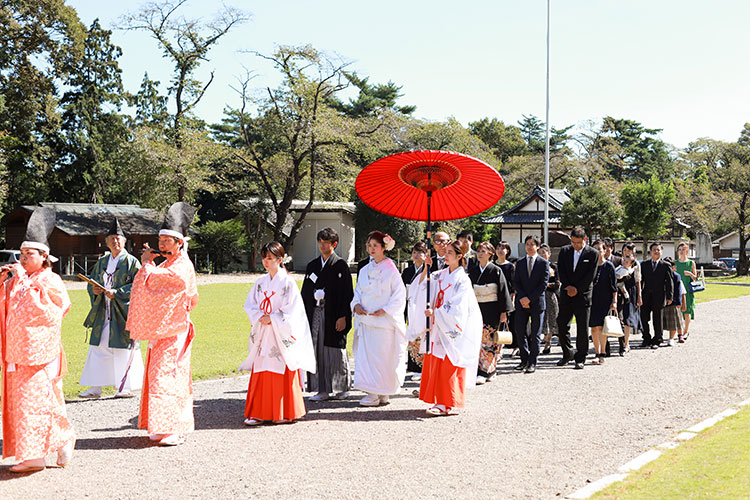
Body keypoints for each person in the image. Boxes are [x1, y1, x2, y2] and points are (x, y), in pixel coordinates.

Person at [0, 207, 75, 472]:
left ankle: (34, 456)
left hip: (38, 353)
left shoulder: (50, 280)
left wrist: (21, 280)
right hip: (17, 353)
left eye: (28, 254)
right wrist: (3, 283)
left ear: (44, 257)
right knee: (26, 402)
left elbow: (54, 311)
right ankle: (60, 439)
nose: (22, 258)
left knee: (34, 402)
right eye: (21, 254)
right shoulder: (20, 280)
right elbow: (7, 306)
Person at [126, 202, 199, 446]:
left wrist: (147, 264)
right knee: (157, 375)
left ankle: (173, 428)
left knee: (168, 376)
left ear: (180, 242)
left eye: (168, 240)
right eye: (161, 239)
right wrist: (149, 265)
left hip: (175, 329)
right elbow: (149, 284)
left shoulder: (181, 265)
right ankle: (160, 425)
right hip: (162, 329)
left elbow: (159, 282)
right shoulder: (166, 264)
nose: (163, 244)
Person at [240, 242, 316, 425]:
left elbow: (293, 310)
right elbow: (250, 305)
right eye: (264, 258)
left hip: (279, 333)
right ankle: (259, 412)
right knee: (262, 367)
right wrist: (260, 316)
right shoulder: (260, 282)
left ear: (280, 260)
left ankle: (283, 412)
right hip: (264, 331)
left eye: (270, 258)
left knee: (280, 366)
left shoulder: (288, 282)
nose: (266, 262)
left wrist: (272, 318)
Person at [408, 240, 482, 416]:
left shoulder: (463, 279)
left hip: (450, 324)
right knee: (436, 361)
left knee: (449, 362)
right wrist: (426, 268)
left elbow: (459, 305)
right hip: (437, 324)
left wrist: (438, 312)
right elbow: (422, 288)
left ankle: (446, 402)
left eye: (450, 252)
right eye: (445, 252)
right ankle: (438, 399)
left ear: (459, 256)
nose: (446, 255)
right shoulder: (439, 275)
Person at [79, 218, 144, 399]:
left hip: (121, 311)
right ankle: (95, 387)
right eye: (112, 239)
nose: (115, 241)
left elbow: (138, 285)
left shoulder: (132, 262)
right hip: (104, 310)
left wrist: (117, 292)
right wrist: (95, 290)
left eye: (118, 239)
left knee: (122, 348)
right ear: (106, 242)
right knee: (98, 347)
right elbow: (93, 281)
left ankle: (125, 387)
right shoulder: (102, 261)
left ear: (124, 241)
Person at [351, 231, 407, 407]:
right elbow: (358, 291)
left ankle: (383, 392)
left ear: (384, 248)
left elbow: (399, 294)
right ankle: (373, 392)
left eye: (375, 245)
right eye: (369, 245)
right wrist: (356, 305)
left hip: (384, 322)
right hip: (367, 320)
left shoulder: (391, 269)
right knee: (368, 358)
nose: (371, 249)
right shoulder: (365, 269)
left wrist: (386, 310)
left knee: (383, 358)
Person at [301, 228, 354, 401]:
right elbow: (305, 291)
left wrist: (343, 316)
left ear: (334, 244)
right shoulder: (313, 266)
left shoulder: (340, 265)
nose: (322, 245)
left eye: (326, 243)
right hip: (316, 312)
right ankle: (321, 389)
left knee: (335, 350)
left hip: (334, 314)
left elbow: (347, 294)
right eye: (320, 242)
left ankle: (342, 387)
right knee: (316, 348)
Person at [468, 241, 512, 384]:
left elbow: (502, 291)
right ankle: (479, 370)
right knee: (477, 341)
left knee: (489, 341)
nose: (480, 253)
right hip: (476, 309)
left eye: (483, 251)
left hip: (492, 309)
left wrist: (504, 312)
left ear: (490, 254)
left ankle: (488, 371)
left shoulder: (495, 270)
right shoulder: (473, 271)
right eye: (479, 250)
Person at [556, 227, 600, 369]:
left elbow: (590, 276)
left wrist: (577, 289)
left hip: (583, 295)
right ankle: (567, 353)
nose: (576, 245)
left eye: (578, 243)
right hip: (566, 294)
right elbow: (561, 270)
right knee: (562, 324)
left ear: (584, 240)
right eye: (573, 242)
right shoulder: (564, 251)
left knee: (582, 328)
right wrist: (568, 286)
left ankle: (581, 357)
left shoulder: (593, 253)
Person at [512, 235, 549, 374]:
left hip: (537, 303)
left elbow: (543, 285)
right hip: (521, 302)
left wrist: (530, 299)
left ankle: (533, 361)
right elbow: (516, 282)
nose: (529, 246)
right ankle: (524, 359)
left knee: (535, 333)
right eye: (527, 244)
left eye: (532, 244)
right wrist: (523, 298)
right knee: (520, 331)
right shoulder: (520, 263)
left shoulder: (543, 263)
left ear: (538, 246)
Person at [588, 240, 618, 365]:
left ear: (604, 251)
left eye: (600, 249)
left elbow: (614, 286)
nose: (598, 252)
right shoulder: (590, 265)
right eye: (595, 249)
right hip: (591, 299)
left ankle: (602, 352)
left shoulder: (609, 266)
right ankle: (596, 351)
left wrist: (614, 301)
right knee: (594, 328)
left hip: (605, 300)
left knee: (602, 327)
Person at [639, 242, 674, 349]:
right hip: (646, 296)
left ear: (661, 252)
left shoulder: (665, 265)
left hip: (659, 296)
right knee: (643, 318)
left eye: (658, 250)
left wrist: (670, 297)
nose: (656, 251)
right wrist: (639, 295)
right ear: (650, 251)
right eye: (654, 249)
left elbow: (669, 282)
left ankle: (657, 339)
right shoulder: (644, 265)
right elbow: (641, 281)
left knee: (657, 319)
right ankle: (646, 338)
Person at [402, 242, 428, 382]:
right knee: (411, 333)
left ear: (426, 255)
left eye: (420, 252)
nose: (416, 255)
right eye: (414, 252)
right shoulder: (407, 271)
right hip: (408, 302)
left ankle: (422, 366)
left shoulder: (429, 270)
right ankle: (414, 366)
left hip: (421, 304)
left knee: (421, 334)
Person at [615, 244, 642, 355]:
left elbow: (638, 280)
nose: (626, 252)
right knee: (618, 317)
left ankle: (626, 343)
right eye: (625, 250)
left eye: (629, 250)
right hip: (617, 290)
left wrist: (639, 295)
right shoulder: (617, 261)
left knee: (627, 317)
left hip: (630, 290)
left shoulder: (636, 264)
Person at [494, 241, 517, 353]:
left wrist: (512, 300)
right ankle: (495, 346)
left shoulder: (510, 266)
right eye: (498, 248)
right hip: (493, 298)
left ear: (507, 251)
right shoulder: (493, 265)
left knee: (504, 322)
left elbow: (513, 285)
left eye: (503, 248)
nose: (500, 250)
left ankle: (500, 347)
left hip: (506, 298)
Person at [538, 244, 560, 355]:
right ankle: (543, 339)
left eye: (544, 252)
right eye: (540, 252)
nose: (542, 254)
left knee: (551, 318)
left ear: (549, 254)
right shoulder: (535, 265)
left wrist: (547, 285)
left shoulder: (553, 267)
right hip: (538, 295)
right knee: (542, 319)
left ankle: (548, 342)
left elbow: (557, 283)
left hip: (550, 296)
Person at [675, 241, 697, 342]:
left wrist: (690, 274)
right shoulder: (675, 263)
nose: (681, 251)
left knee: (687, 311)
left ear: (687, 251)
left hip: (688, 290)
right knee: (677, 311)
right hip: (677, 290)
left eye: (683, 249)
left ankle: (685, 331)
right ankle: (679, 332)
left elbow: (696, 278)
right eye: (679, 249)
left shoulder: (691, 263)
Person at [662, 257, 686, 347]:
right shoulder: (660, 275)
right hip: (662, 301)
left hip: (673, 302)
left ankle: (671, 338)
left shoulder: (676, 276)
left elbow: (679, 290)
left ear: (673, 267)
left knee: (673, 322)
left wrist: (679, 302)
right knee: (662, 322)